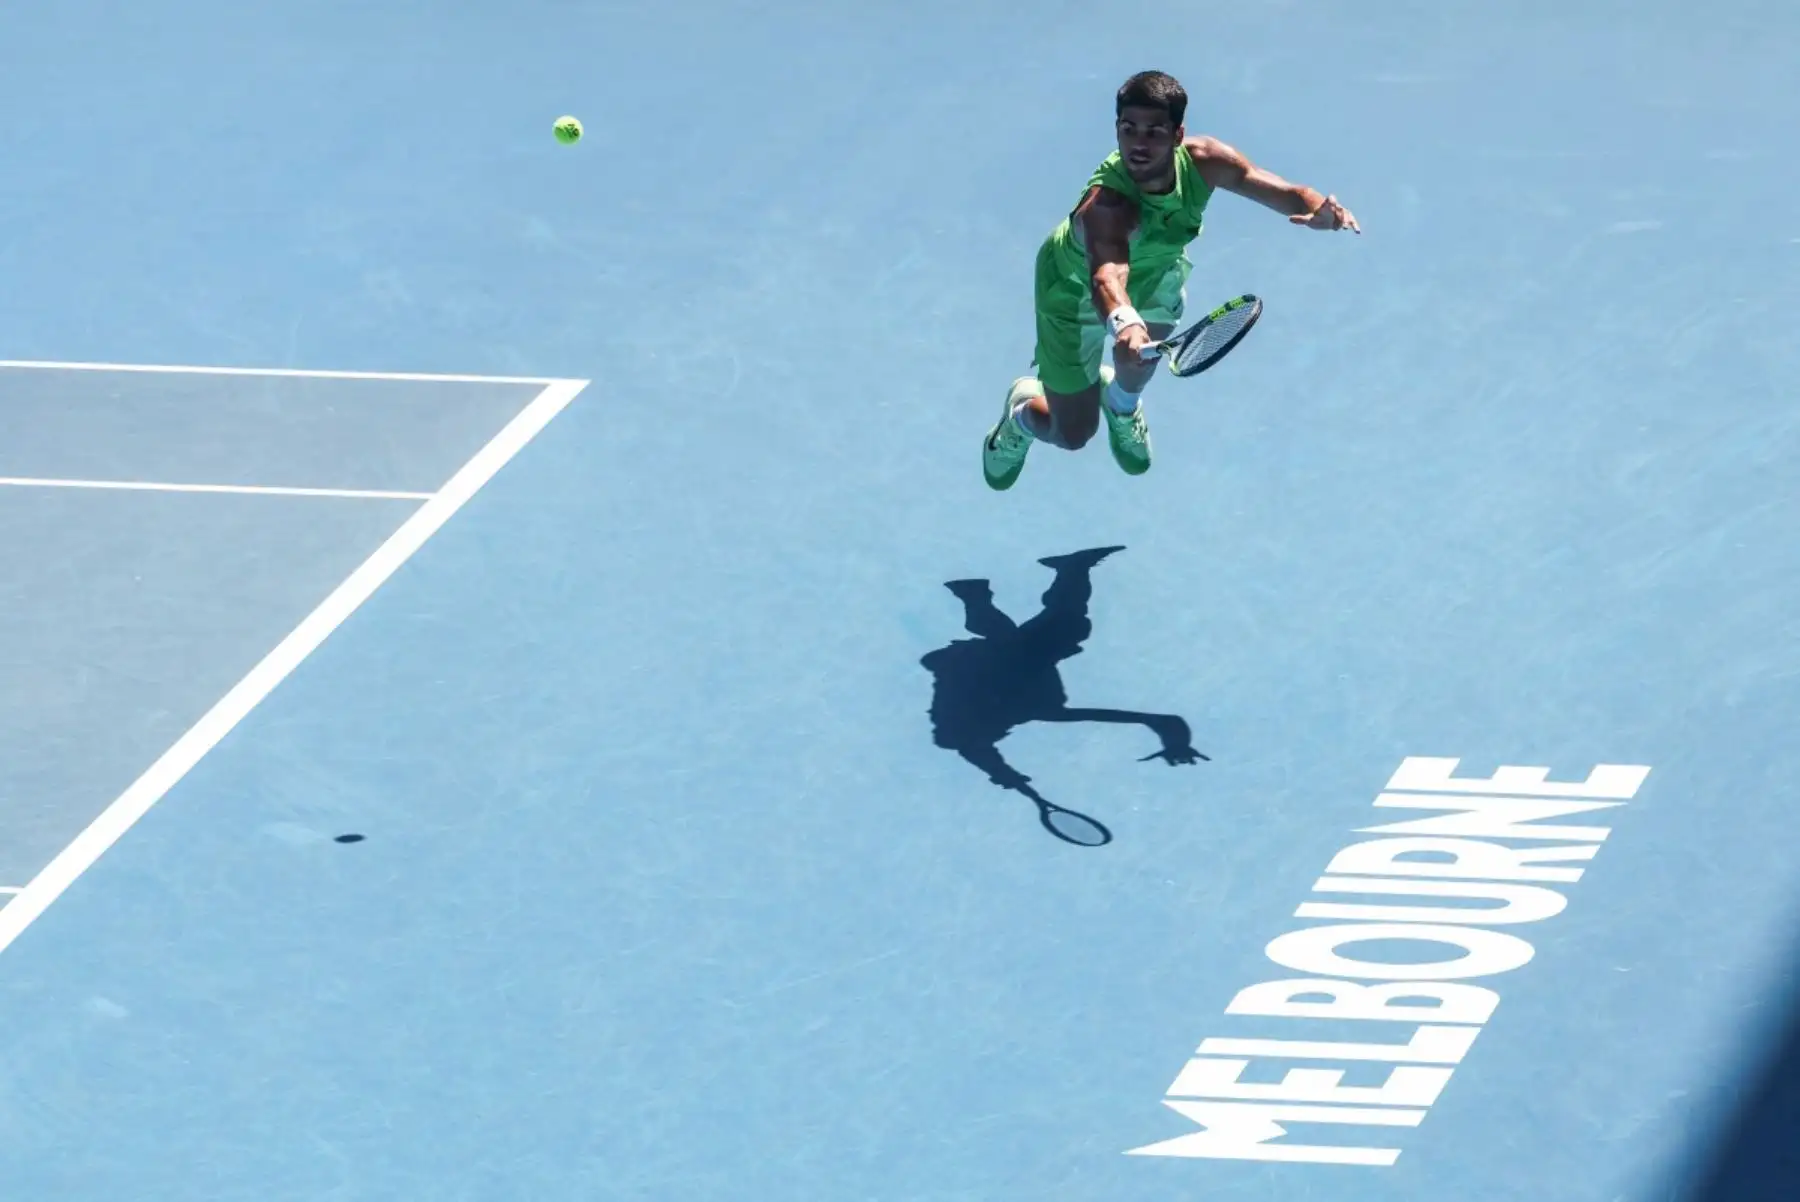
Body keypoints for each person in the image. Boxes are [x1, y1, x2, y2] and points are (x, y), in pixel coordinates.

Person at [983, 70, 1360, 490]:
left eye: (1154, 132)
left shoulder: (1206, 161)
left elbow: (1282, 189)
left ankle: (1122, 405)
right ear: (1117, 130)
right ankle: (1020, 416)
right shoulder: (1107, 206)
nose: (1139, 144)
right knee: (1072, 435)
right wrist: (1125, 322)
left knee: (1144, 352)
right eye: (1128, 130)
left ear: (1178, 134)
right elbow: (1106, 277)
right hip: (1074, 293)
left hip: (1156, 274)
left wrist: (1317, 210)